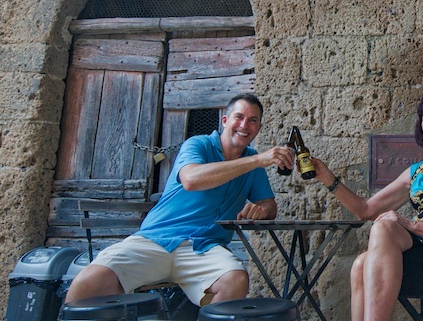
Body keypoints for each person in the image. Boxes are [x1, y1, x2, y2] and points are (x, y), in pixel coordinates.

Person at [65, 93, 294, 307]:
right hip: (158, 239)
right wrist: (256, 161)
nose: (245, 125)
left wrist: (261, 210)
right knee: (89, 281)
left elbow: (269, 205)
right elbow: (191, 179)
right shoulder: (199, 144)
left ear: (259, 128)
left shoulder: (253, 160)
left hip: (205, 247)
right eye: (239, 117)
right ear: (225, 120)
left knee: (235, 279)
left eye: (253, 121)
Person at [312, 92, 423, 321]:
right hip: (421, 250)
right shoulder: (416, 172)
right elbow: (366, 210)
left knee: (369, 255)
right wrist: (327, 178)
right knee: (367, 251)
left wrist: (409, 223)